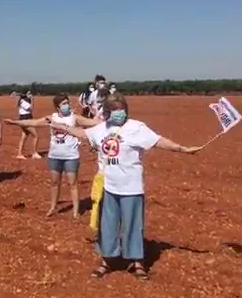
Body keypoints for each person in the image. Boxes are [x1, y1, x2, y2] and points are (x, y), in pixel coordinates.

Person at [50, 93, 202, 280]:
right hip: (110, 186)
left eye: (121, 109)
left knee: (133, 225)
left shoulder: (137, 128)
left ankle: (137, 262)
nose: (118, 113)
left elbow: (158, 141)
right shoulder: (102, 128)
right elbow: (82, 133)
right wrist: (62, 127)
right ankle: (108, 260)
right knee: (108, 226)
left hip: (132, 187)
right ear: (107, 112)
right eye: (113, 110)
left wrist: (182, 149)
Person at [5, 93, 91, 218]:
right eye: (64, 104)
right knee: (54, 183)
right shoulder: (52, 118)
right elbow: (33, 122)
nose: (67, 106)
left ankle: (75, 211)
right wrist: (14, 122)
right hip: (55, 156)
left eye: (67, 103)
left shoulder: (74, 118)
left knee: (73, 184)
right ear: (57, 107)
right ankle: (53, 207)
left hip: (71, 156)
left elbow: (91, 122)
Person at [14, 90, 41, 160]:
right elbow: (31, 108)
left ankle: (19, 154)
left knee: (24, 136)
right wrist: (32, 100)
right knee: (35, 135)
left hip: (26, 119)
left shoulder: (23, 101)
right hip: (26, 119)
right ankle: (34, 153)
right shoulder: (23, 101)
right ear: (25, 94)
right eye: (29, 93)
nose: (30, 94)